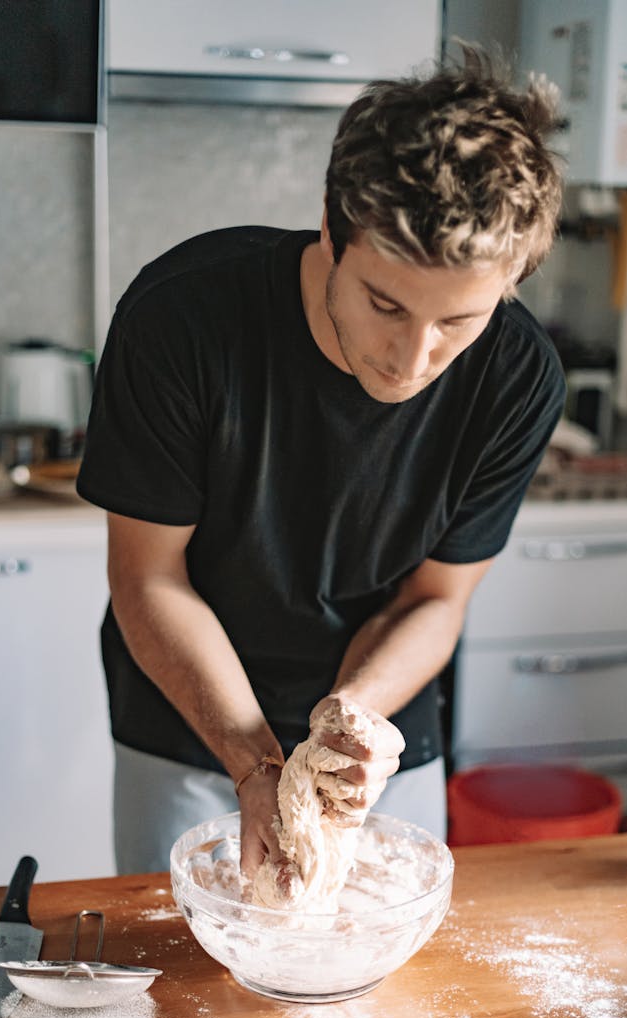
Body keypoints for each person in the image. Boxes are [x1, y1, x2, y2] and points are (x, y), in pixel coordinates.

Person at [76, 45, 566, 879]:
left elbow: (436, 599)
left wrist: (349, 727)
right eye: (386, 304)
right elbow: (149, 578)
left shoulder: (518, 376)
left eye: (458, 321)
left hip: (378, 745)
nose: (414, 359)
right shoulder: (182, 322)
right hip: (187, 723)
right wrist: (256, 763)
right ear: (333, 228)